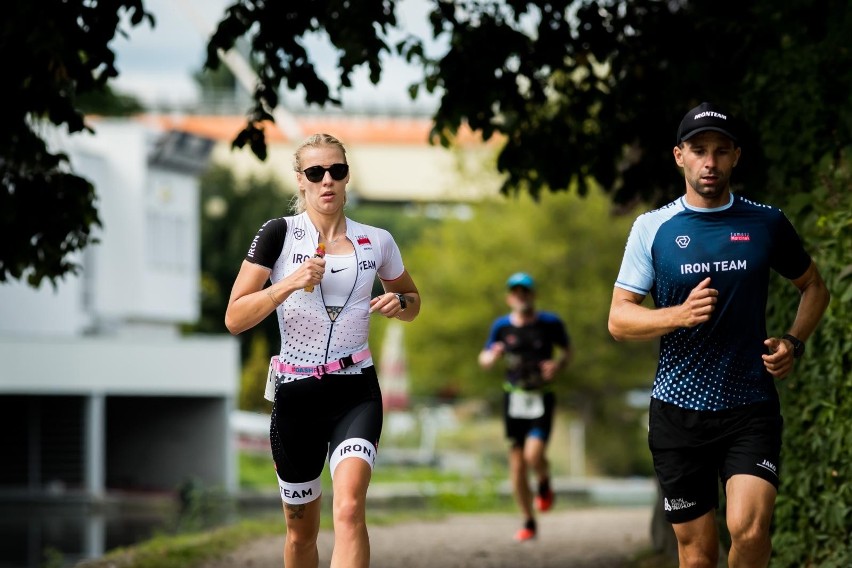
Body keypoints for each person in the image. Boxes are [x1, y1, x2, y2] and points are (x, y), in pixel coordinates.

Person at [608, 102, 830, 568]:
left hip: (749, 404)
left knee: (749, 530)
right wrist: (677, 315)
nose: (710, 162)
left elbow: (813, 287)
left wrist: (793, 341)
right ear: (679, 156)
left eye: (721, 151)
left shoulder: (765, 222)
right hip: (678, 411)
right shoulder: (652, 228)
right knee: (698, 554)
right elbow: (620, 319)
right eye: (699, 150)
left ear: (735, 158)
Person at [225, 133, 420, 568]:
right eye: (316, 173)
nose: (327, 180)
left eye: (337, 170)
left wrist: (398, 303)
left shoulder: (378, 241)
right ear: (300, 181)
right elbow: (235, 317)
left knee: (349, 509)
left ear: (348, 177)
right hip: (296, 394)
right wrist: (290, 282)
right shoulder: (280, 235)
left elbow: (412, 302)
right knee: (301, 534)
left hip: (356, 389)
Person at [478, 272, 572, 542]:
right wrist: (492, 356)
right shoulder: (501, 327)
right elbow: (484, 359)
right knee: (517, 466)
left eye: (525, 292)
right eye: (516, 292)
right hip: (514, 398)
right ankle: (528, 520)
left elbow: (567, 351)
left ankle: (543, 481)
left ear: (533, 295)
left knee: (534, 455)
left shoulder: (550, 323)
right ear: (509, 297)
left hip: (541, 397)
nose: (521, 296)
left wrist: (557, 365)